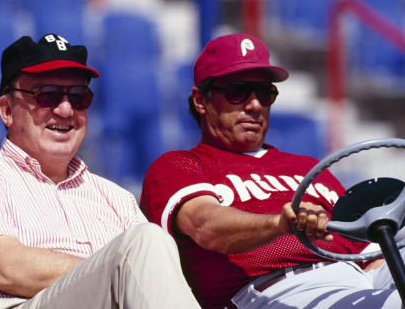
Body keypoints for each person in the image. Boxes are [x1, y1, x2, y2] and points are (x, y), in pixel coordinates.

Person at [0, 33, 201, 309]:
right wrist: (120, 269)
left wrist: (122, 270)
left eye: (79, 97)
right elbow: (3, 267)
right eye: (48, 95)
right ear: (7, 110)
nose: (66, 109)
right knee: (146, 243)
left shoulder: (116, 198)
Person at [140, 33, 402, 309]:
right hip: (273, 290)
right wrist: (279, 224)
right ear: (200, 101)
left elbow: (365, 247)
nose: (254, 105)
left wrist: (378, 277)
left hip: (358, 280)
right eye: (237, 91)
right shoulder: (180, 165)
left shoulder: (307, 167)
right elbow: (206, 225)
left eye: (265, 93)